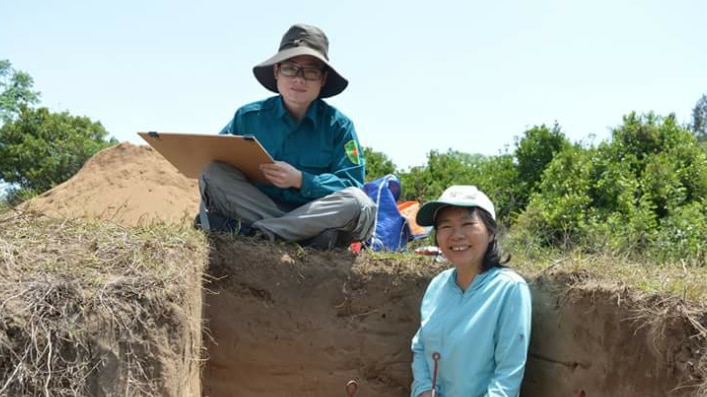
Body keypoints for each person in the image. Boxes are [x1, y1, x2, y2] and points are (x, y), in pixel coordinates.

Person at [197, 23, 376, 250]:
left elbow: (352, 183)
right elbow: (217, 161)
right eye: (290, 68)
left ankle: (262, 233)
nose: (299, 79)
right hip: (258, 206)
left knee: (357, 202)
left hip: (315, 214)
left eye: (310, 71)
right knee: (212, 172)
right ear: (276, 72)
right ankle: (295, 235)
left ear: (322, 79)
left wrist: (301, 180)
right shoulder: (248, 117)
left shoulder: (339, 126)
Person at [410, 185, 532, 397]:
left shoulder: (509, 289)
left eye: (468, 224)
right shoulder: (437, 285)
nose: (456, 235)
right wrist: (423, 390)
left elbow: (507, 375)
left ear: (491, 232)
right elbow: (420, 348)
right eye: (445, 226)